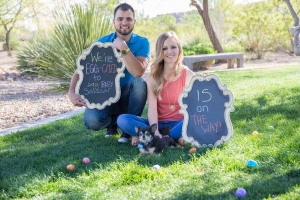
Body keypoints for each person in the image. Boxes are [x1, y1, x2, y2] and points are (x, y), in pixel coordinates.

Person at [68, 3, 150, 143]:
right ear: (114, 21)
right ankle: (113, 124)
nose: (124, 22)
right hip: (105, 97)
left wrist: (123, 48)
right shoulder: (102, 42)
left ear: (134, 21)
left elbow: (138, 71)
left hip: (128, 97)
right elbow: (82, 68)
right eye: (120, 19)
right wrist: (71, 92)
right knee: (92, 121)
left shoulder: (142, 42)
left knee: (139, 83)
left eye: (129, 19)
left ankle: (128, 129)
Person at [117, 31, 195, 146]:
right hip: (157, 123)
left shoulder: (188, 75)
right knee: (122, 120)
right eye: (165, 48)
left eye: (173, 47)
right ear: (160, 51)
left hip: (180, 123)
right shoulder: (153, 76)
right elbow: (152, 108)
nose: (169, 52)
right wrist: (156, 131)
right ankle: (166, 138)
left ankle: (155, 137)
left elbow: (194, 108)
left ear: (179, 49)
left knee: (194, 119)